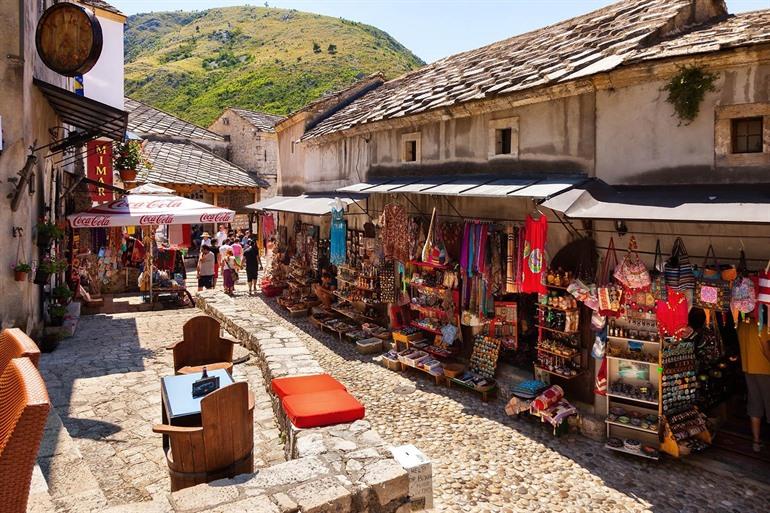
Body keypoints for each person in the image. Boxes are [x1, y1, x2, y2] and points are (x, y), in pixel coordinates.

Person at [737, 320, 770, 452]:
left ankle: (756, 442)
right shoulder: (763, 326)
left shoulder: (741, 326)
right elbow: (767, 351)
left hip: (748, 369)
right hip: (765, 371)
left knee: (755, 404)